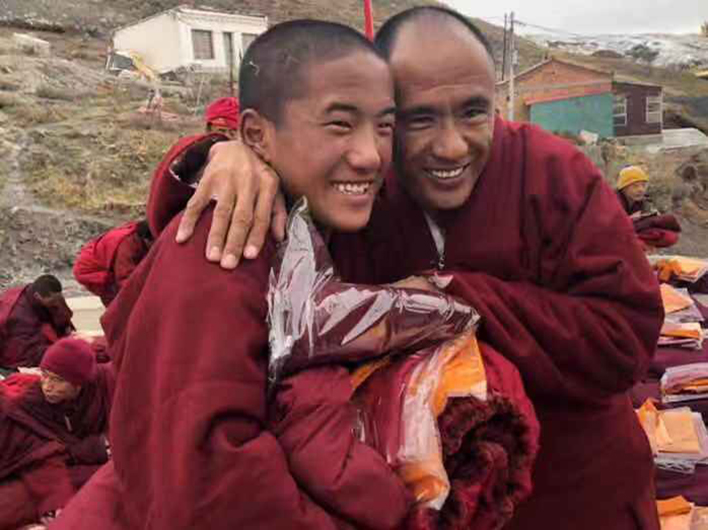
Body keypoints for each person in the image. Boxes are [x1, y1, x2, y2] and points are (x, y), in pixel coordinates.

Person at [158, 7, 664, 529]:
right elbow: (237, 196)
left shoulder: (553, 174)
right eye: (418, 119)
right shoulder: (358, 188)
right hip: (433, 502)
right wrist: (221, 154)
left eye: (474, 113)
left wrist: (450, 298)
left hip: (580, 495)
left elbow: (624, 339)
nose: (451, 146)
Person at [51, 20, 411, 530]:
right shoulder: (222, 247)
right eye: (338, 124)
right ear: (257, 135)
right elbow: (210, 491)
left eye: (384, 127)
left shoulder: (329, 225)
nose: (370, 155)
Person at [0, 338, 113, 529]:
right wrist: (92, 449)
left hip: (78, 466)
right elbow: (37, 455)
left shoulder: (105, 384)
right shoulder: (28, 405)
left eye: (58, 380)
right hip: (44, 469)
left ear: (79, 383)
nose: (47, 386)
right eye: (44, 375)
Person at [0, 275, 74, 371]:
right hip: (17, 351)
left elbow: (64, 320)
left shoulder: (51, 296)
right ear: (37, 296)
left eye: (58, 299)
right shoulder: (20, 314)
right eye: (52, 301)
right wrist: (57, 350)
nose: (56, 303)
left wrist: (68, 334)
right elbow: (27, 352)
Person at [73, 220, 154, 307]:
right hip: (90, 270)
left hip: (106, 266)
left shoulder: (139, 237)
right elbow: (125, 278)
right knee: (118, 302)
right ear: (147, 239)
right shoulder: (128, 245)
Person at [616, 165, 681, 251]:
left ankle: (639, 245)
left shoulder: (641, 202)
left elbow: (645, 223)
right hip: (616, 236)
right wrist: (635, 220)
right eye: (635, 186)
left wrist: (648, 220)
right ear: (623, 188)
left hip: (634, 232)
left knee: (670, 236)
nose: (641, 190)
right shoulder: (613, 201)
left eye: (643, 185)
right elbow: (614, 228)